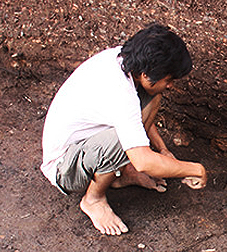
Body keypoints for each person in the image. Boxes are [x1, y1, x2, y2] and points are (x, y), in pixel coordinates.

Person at [40, 23, 208, 236]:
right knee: (124, 142)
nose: (171, 85)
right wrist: (195, 169)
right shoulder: (120, 93)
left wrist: (163, 151)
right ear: (148, 73)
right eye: (169, 79)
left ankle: (121, 172)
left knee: (152, 97)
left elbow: (135, 120)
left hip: (88, 142)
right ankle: (93, 200)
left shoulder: (123, 60)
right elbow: (144, 160)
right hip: (64, 168)